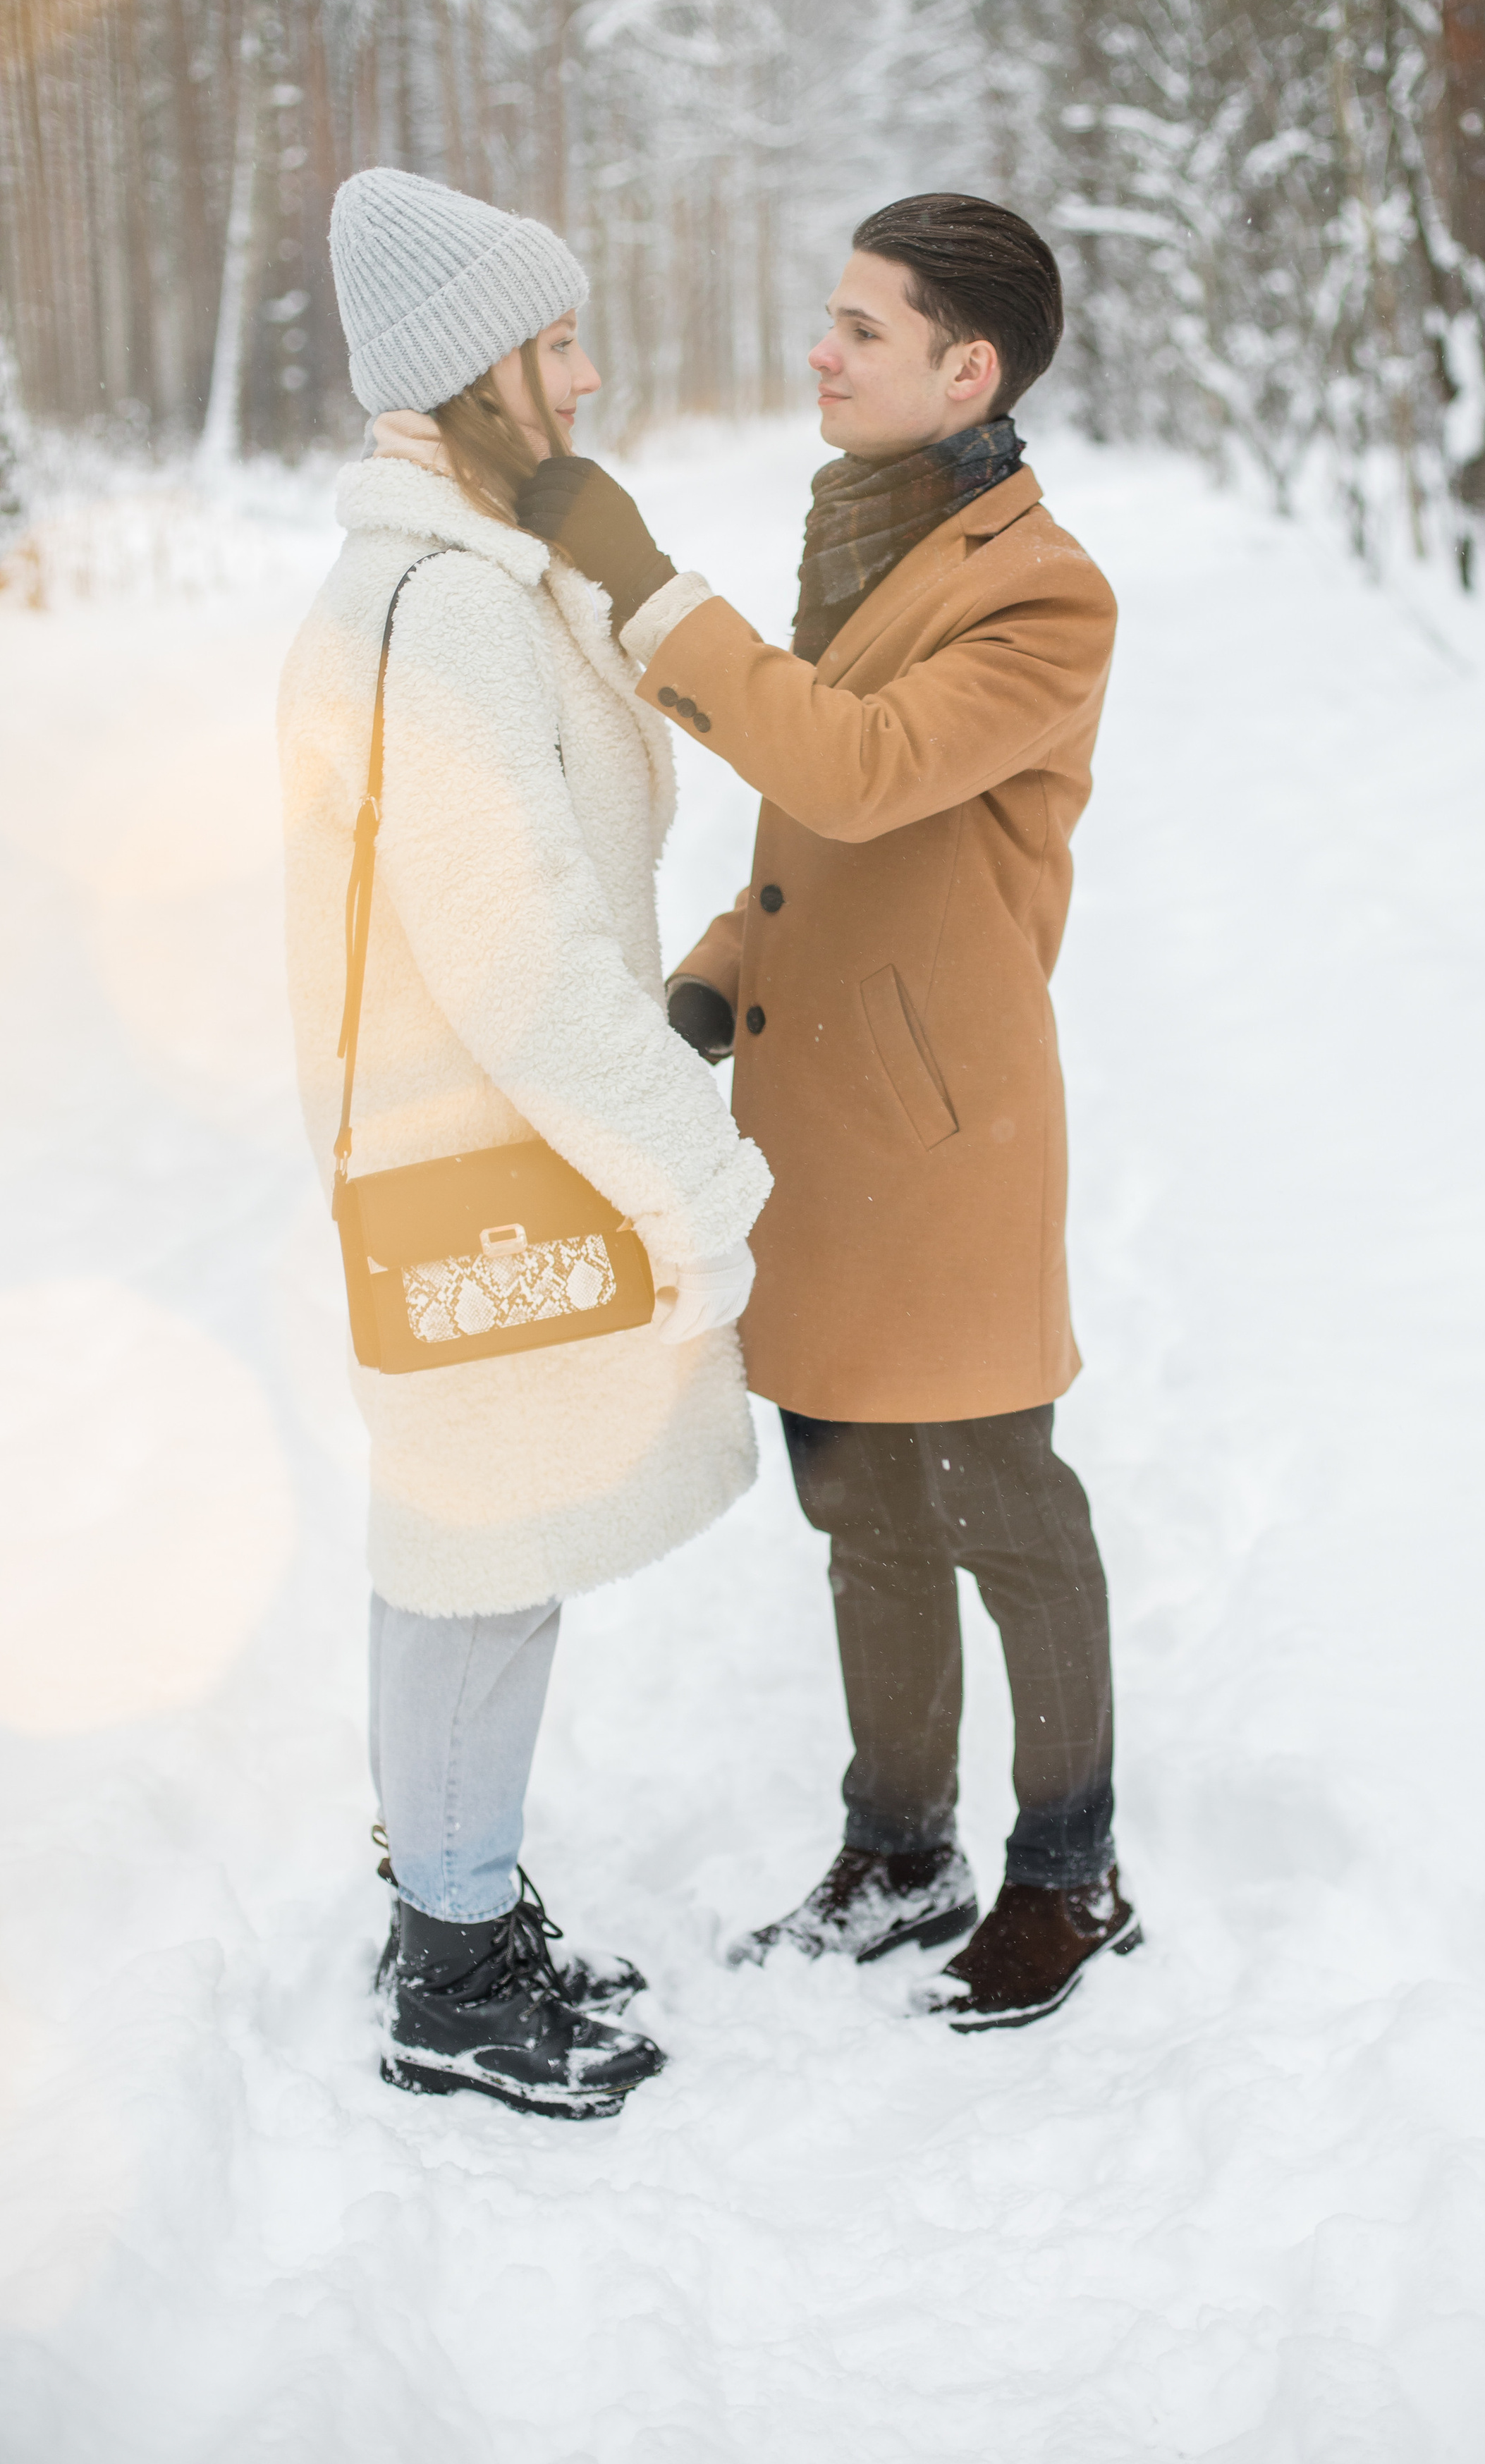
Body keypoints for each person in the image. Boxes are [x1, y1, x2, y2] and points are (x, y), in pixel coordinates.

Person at [513, 193, 1138, 2033]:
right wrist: (711, 975)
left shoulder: (1045, 588)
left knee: (1004, 1505)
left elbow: (855, 775)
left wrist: (638, 577)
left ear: (971, 368)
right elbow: (812, 844)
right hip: (820, 1123)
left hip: (944, 1139)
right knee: (860, 1503)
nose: (821, 349)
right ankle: (902, 1845)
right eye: (831, 316)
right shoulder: (867, 537)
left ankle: (1070, 1870)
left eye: (863, 328)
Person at [279, 168, 771, 2118]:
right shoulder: (442, 612)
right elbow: (525, 961)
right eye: (554, 341)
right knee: (483, 1556)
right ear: (470, 372)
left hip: (475, 1153)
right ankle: (456, 1982)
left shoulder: (467, 574)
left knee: (481, 1544)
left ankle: (457, 1909)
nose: (587, 370)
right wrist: (700, 1177)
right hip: (484, 1157)